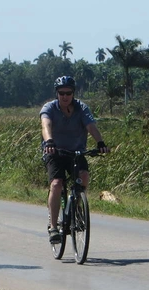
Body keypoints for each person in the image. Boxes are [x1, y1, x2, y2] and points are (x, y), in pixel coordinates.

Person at [39, 76, 109, 244]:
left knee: (84, 176)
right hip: (55, 151)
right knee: (56, 183)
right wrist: (49, 142)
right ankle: (54, 226)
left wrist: (100, 142)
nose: (65, 96)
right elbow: (45, 125)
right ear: (57, 93)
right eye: (61, 93)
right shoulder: (49, 107)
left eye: (68, 93)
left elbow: (91, 126)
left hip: (76, 152)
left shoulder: (82, 108)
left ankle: (77, 207)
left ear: (73, 93)